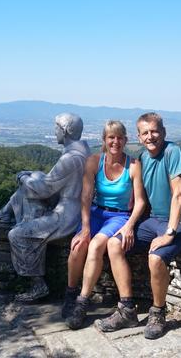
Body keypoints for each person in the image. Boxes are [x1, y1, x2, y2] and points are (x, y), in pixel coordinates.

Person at [94, 112, 181, 339]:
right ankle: (127, 310)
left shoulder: (173, 152)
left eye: (154, 131)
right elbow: (139, 199)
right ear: (139, 136)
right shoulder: (142, 158)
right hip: (153, 220)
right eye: (145, 133)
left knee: (155, 256)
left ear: (163, 132)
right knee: (115, 244)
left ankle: (158, 313)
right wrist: (130, 225)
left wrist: (170, 232)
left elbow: (180, 195)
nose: (150, 136)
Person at [0, 113, 90, 302]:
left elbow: (44, 189)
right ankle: (4, 214)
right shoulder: (82, 152)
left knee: (18, 234)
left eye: (56, 128)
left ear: (65, 131)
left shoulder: (70, 158)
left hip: (66, 215)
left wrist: (23, 177)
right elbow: (53, 181)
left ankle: (38, 285)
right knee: (27, 187)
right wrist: (33, 175)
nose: (54, 131)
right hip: (68, 205)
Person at [63, 121, 146, 329]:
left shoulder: (133, 166)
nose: (115, 141)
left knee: (96, 245)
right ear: (104, 140)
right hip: (95, 212)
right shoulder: (94, 162)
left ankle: (82, 303)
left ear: (125, 140)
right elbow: (86, 196)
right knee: (78, 246)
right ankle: (70, 294)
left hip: (119, 217)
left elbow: (141, 201)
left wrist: (129, 226)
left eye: (119, 137)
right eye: (111, 137)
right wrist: (85, 227)